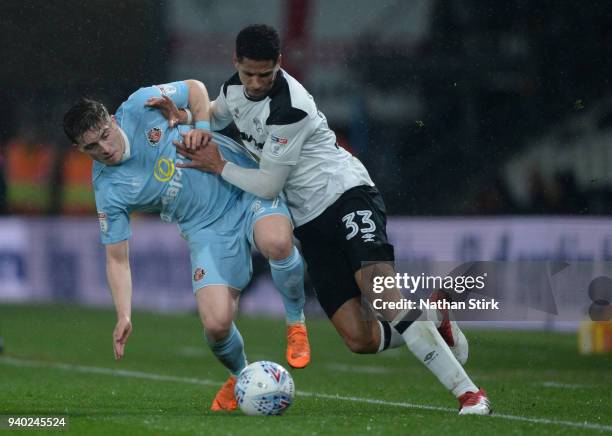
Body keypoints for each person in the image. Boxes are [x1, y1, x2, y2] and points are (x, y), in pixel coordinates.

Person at [170, 25, 491, 415]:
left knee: (383, 295)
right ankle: (433, 315)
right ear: (235, 63)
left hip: (346, 196)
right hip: (309, 224)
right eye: (248, 73)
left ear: (279, 65)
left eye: (264, 74)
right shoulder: (233, 89)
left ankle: (470, 394)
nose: (255, 83)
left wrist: (218, 165)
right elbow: (217, 116)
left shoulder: (292, 107)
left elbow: (269, 185)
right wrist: (183, 115)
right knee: (360, 339)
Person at [62, 79, 310, 411]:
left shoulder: (140, 104)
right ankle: (240, 375)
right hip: (205, 228)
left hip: (240, 184)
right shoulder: (108, 189)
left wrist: (202, 127)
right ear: (80, 150)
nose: (104, 149)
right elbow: (117, 260)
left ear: (112, 119)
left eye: (105, 135)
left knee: (276, 241)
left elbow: (195, 88)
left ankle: (296, 324)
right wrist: (124, 314)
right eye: (92, 147)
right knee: (216, 324)